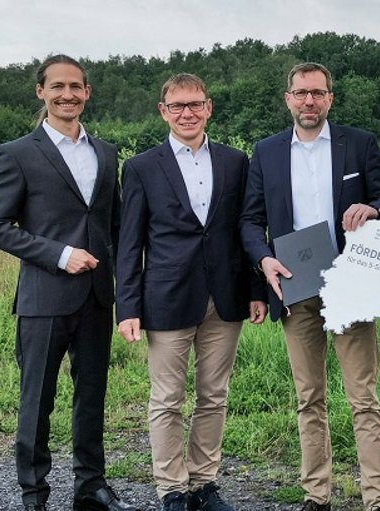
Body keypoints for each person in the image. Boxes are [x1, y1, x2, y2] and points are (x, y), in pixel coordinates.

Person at [0, 54, 139, 511]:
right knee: (38, 400)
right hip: (44, 297)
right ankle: (35, 493)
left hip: (96, 298)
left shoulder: (106, 152)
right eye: (57, 86)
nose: (67, 94)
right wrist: (60, 255)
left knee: (92, 398)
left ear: (87, 92)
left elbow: (116, 225)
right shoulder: (17, 153)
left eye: (76, 86)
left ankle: (91, 486)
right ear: (41, 92)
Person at [239, 62, 380, 511]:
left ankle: (378, 500)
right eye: (301, 93)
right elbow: (250, 219)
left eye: (318, 93)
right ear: (288, 98)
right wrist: (263, 258)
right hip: (295, 286)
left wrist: (373, 209)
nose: (310, 101)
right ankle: (316, 494)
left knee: (363, 398)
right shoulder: (266, 151)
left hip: (351, 284)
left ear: (330, 98)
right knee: (308, 398)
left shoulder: (359, 144)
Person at [115, 73, 267, 511]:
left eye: (195, 104)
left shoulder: (237, 161)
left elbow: (248, 228)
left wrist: (256, 288)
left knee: (214, 395)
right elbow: (130, 243)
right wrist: (128, 305)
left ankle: (203, 482)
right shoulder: (142, 167)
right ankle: (172, 489)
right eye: (178, 105)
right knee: (166, 399)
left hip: (225, 296)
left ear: (209, 108)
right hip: (166, 296)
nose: (187, 113)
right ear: (163, 110)